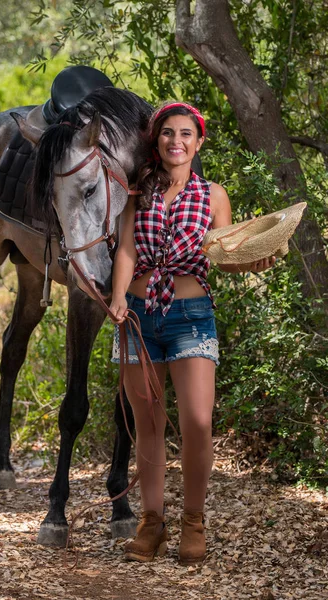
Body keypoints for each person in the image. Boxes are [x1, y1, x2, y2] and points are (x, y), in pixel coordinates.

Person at [109, 102, 275, 564]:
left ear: (198, 142)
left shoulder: (213, 195)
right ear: (156, 140)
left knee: (198, 422)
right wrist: (119, 295)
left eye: (185, 134)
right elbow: (125, 250)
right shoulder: (136, 191)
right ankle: (151, 522)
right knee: (148, 423)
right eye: (167, 133)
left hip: (191, 314)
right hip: (138, 317)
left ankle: (193, 521)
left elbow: (226, 254)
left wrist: (254, 259)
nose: (175, 141)